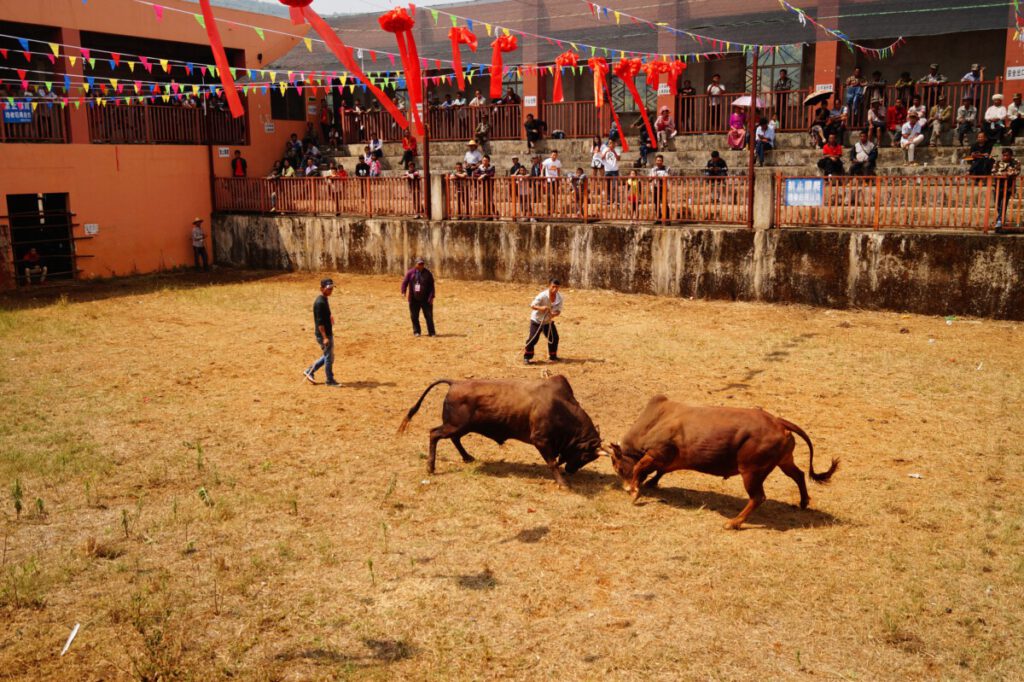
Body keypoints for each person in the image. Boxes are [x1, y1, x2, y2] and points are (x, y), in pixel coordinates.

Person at [303, 278, 339, 387]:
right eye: (328, 288)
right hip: (324, 334)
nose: (330, 290)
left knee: (329, 356)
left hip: (327, 333)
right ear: (321, 288)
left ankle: (309, 371)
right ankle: (329, 380)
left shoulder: (324, 299)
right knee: (329, 357)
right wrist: (324, 337)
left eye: (331, 288)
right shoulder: (319, 303)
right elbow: (320, 323)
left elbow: (323, 317)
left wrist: (329, 317)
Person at [523, 278, 562, 364]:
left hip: (548, 321)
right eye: (553, 287)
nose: (555, 289)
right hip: (537, 320)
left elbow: (558, 311)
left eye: (557, 287)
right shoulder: (542, 295)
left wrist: (553, 314)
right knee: (532, 339)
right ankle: (527, 357)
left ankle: (553, 356)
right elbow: (532, 305)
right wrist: (541, 308)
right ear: (549, 286)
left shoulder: (559, 298)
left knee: (554, 338)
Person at [401, 258, 436, 336]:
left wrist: (432, 297)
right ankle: (417, 331)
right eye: (419, 264)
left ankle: (432, 332)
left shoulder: (428, 273)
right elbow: (405, 282)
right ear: (415, 264)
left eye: (422, 264)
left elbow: (431, 286)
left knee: (429, 316)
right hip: (413, 299)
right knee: (414, 316)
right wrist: (403, 292)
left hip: (426, 299)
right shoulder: (410, 273)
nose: (421, 266)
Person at [992, 147, 1020, 231]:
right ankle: (1001, 220)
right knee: (997, 205)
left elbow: (1016, 172)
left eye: (1007, 155)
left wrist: (1005, 173)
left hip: (1008, 186)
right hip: (997, 186)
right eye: (1003, 155)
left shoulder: (1015, 162)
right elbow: (993, 172)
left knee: (1003, 204)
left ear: (1011, 156)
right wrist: (1005, 173)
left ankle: (999, 221)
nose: (1005, 157)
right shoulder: (997, 162)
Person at [650, 154, 671, 223]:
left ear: (662, 161)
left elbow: (667, 177)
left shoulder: (667, 169)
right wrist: (653, 178)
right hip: (656, 187)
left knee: (665, 203)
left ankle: (667, 219)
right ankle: (659, 218)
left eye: (660, 160)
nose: (659, 162)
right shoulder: (653, 169)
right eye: (657, 160)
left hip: (663, 188)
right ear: (655, 161)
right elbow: (650, 179)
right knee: (656, 203)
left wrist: (659, 177)